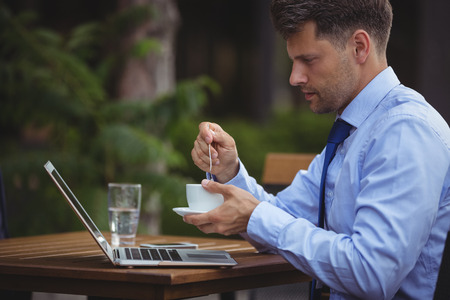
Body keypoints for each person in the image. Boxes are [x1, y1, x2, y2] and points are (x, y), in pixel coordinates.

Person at [184, 0, 450, 299]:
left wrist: (256, 217)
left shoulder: (405, 131)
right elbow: (281, 217)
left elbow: (372, 272)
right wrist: (229, 171)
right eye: (293, 61)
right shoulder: (356, 128)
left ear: (359, 47)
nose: (294, 77)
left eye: (308, 60)